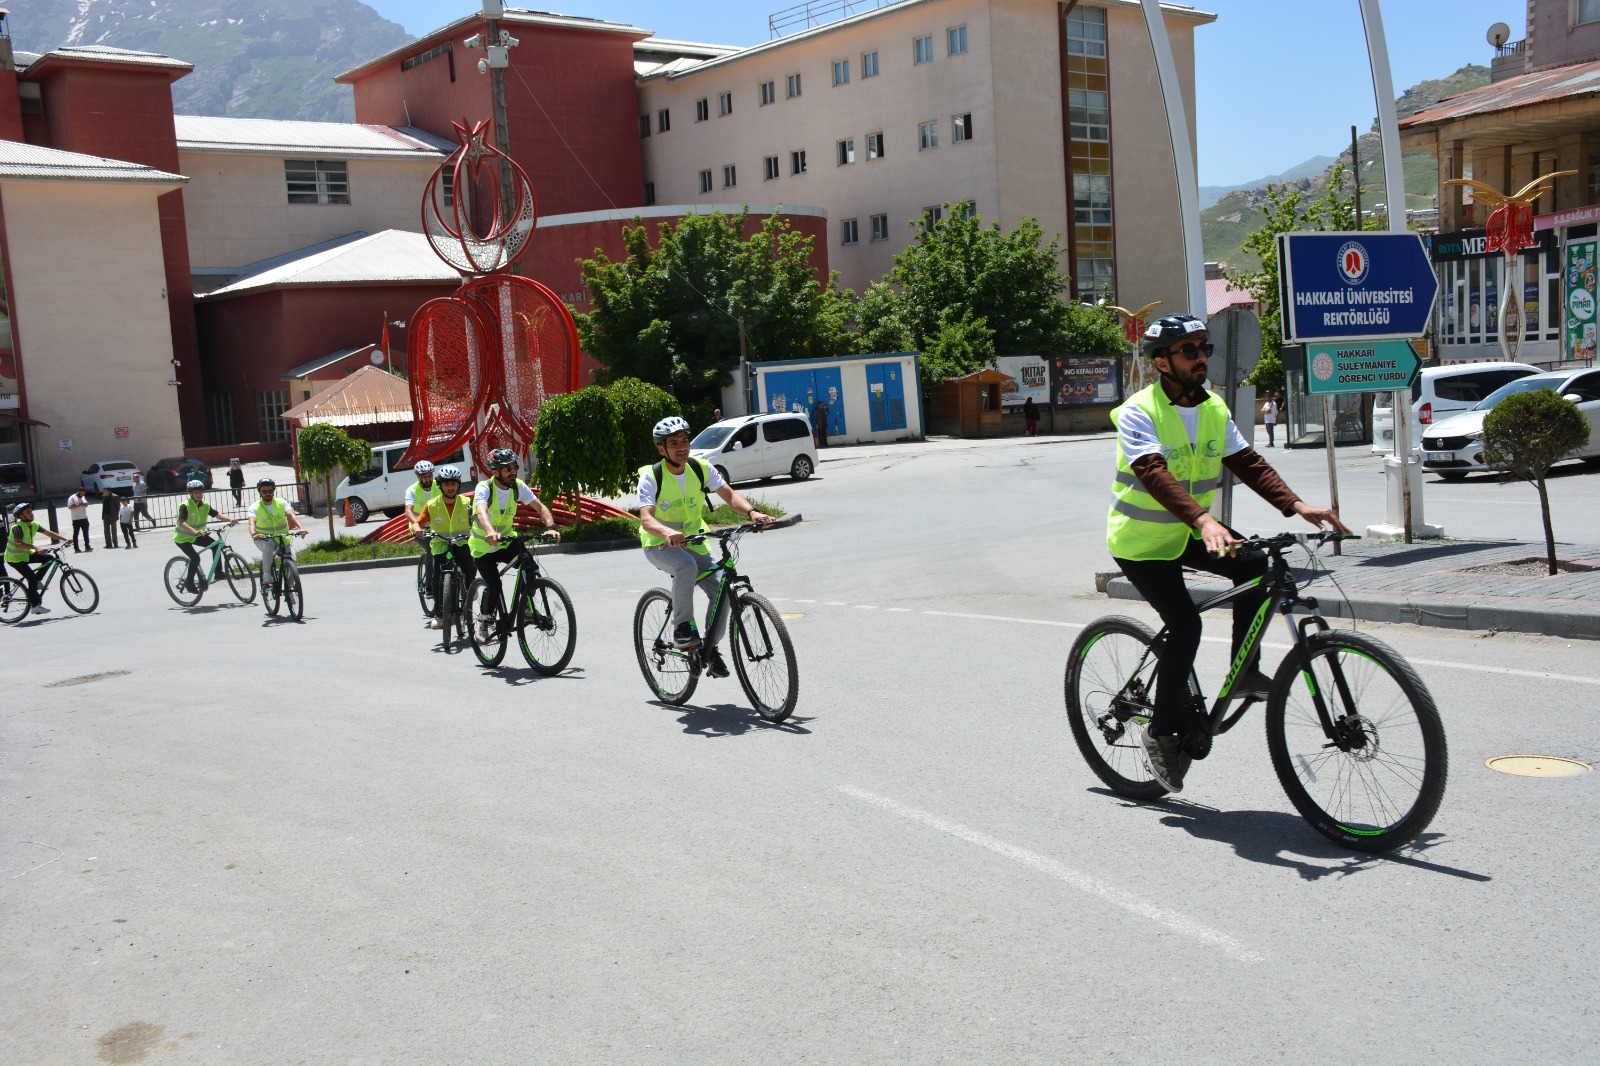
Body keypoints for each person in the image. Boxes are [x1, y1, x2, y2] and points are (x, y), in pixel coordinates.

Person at [1109, 313, 1346, 793]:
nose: (1202, 358)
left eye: (1205, 349)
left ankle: (1244, 670)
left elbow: (1247, 462)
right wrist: (1202, 518)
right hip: (1141, 542)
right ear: (1162, 362)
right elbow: (1154, 472)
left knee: (1257, 564)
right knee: (1186, 624)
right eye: (1190, 351)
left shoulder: (1214, 407)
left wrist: (1297, 506)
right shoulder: (1139, 411)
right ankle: (1160, 732)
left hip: (1195, 530)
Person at [638, 416, 772, 678]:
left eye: (685, 441)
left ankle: (709, 649)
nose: (682, 447)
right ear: (662, 449)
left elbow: (730, 495)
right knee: (685, 566)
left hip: (695, 541)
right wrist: (667, 532)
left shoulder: (700, 468)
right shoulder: (652, 477)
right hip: (660, 544)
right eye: (673, 443)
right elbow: (646, 518)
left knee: (722, 589)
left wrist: (753, 513)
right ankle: (682, 629)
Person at [468, 448, 558, 639]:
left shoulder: (517, 486)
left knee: (530, 568)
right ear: (495, 472)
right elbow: (481, 511)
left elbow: (541, 508)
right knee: (494, 585)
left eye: (514, 467)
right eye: (506, 468)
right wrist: (490, 532)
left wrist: (552, 527)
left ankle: (525, 610)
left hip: (507, 541)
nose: (512, 471)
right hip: (483, 546)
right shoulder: (484, 488)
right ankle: (484, 620)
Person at [411, 464, 475, 629]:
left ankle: (470, 591)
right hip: (440, 544)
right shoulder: (432, 505)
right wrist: (418, 529)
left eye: (453, 483)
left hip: (461, 542)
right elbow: (419, 522)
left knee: (470, 566)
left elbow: (478, 518)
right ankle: (439, 615)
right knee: (438, 577)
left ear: (458, 484)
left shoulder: (466, 502)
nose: (450, 487)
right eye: (446, 484)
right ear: (440, 485)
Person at [5, 501, 72, 613]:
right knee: (31, 578)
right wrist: (36, 547)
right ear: (21, 516)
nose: (31, 514)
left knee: (49, 558)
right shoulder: (17, 528)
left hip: (26, 554)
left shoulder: (33, 524)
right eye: (28, 512)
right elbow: (18, 544)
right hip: (15, 558)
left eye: (31, 511)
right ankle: (35, 606)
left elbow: (49, 533)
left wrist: (65, 539)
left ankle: (37, 581)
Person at [248, 477, 307, 603]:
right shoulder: (255, 507)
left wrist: (301, 528)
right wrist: (254, 534)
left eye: (270, 491)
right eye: (264, 491)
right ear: (260, 492)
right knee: (268, 546)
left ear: (274, 490)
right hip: (263, 538)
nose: (268, 494)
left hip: (282, 538)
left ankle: (289, 590)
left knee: (293, 561)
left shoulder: (281, 502)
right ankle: (267, 575)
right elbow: (251, 522)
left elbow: (291, 515)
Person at [173, 479, 235, 592]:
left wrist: (230, 519)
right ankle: (189, 582)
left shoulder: (205, 504)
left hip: (197, 535)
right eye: (195, 492)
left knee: (216, 546)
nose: (198, 495)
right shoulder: (185, 506)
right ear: (190, 494)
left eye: (200, 492)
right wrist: (194, 531)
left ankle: (218, 573)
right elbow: (181, 522)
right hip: (182, 539)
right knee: (195, 558)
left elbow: (217, 515)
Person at [406, 460, 440, 620]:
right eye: (424, 477)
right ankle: (429, 587)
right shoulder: (412, 490)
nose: (427, 479)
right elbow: (408, 511)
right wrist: (417, 525)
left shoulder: (439, 486)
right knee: (432, 549)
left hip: (439, 525)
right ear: (419, 477)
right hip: (420, 528)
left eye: (429, 476)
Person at [66, 488, 91, 552]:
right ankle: (76, 547)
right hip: (76, 518)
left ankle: (87, 545)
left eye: (84, 493)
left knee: (86, 533)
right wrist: (78, 505)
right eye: (82, 493)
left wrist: (86, 504)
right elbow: (70, 507)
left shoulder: (83, 497)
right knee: (76, 533)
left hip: (84, 517)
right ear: (79, 491)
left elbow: (86, 504)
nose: (83, 494)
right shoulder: (72, 497)